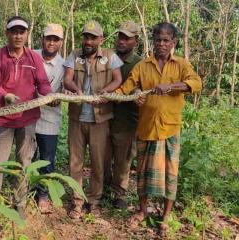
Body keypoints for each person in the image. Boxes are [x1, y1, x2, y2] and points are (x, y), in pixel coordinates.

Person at [115, 22, 202, 236]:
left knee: (170, 174)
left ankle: (166, 216)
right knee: (143, 173)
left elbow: (196, 83)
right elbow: (126, 88)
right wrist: (130, 93)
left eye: (166, 40)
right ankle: (143, 211)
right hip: (146, 128)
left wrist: (171, 86)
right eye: (158, 40)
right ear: (153, 42)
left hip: (170, 128)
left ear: (173, 43)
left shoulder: (181, 65)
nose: (161, 44)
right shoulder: (143, 66)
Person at [0, 16, 52, 224]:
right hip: (3, 118)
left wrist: (50, 96)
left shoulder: (34, 58)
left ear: (27, 34)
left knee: (24, 161)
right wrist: (5, 96)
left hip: (27, 119)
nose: (18, 35)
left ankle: (19, 203)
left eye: (22, 32)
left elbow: (43, 83)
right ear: (7, 34)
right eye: (14, 32)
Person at [63, 20, 123, 219]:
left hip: (101, 119)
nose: (88, 41)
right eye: (86, 36)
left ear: (101, 39)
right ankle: (77, 202)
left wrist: (105, 91)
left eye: (93, 37)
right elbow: (67, 79)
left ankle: (94, 201)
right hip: (77, 118)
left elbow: (117, 80)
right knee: (75, 162)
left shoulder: (110, 56)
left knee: (98, 162)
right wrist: (76, 91)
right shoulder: (74, 56)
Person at [108, 21, 142, 209]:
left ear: (135, 41)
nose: (122, 41)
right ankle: (104, 187)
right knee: (103, 155)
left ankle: (120, 193)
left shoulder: (140, 64)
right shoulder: (107, 57)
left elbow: (142, 89)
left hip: (127, 119)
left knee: (123, 158)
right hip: (104, 114)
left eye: (127, 38)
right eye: (120, 36)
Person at [33, 23, 65, 213]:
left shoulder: (65, 64)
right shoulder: (31, 56)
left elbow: (67, 86)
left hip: (50, 119)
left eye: (56, 39)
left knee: (47, 159)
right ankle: (23, 189)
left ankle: (42, 194)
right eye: (48, 38)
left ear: (61, 42)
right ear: (42, 39)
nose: (51, 42)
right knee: (26, 156)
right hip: (27, 116)